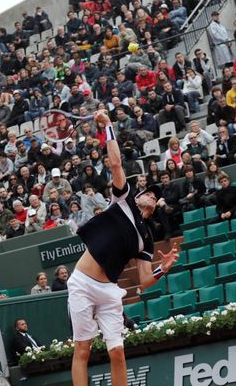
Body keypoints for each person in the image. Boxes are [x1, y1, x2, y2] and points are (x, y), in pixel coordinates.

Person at [69, 111, 179, 386]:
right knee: (82, 349)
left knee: (117, 353)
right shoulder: (124, 200)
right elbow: (116, 163)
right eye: (148, 192)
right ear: (138, 195)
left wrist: (161, 269)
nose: (151, 195)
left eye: (156, 196)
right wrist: (108, 127)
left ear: (154, 208)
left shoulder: (146, 238)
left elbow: (143, 279)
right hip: (82, 282)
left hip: (109, 291)